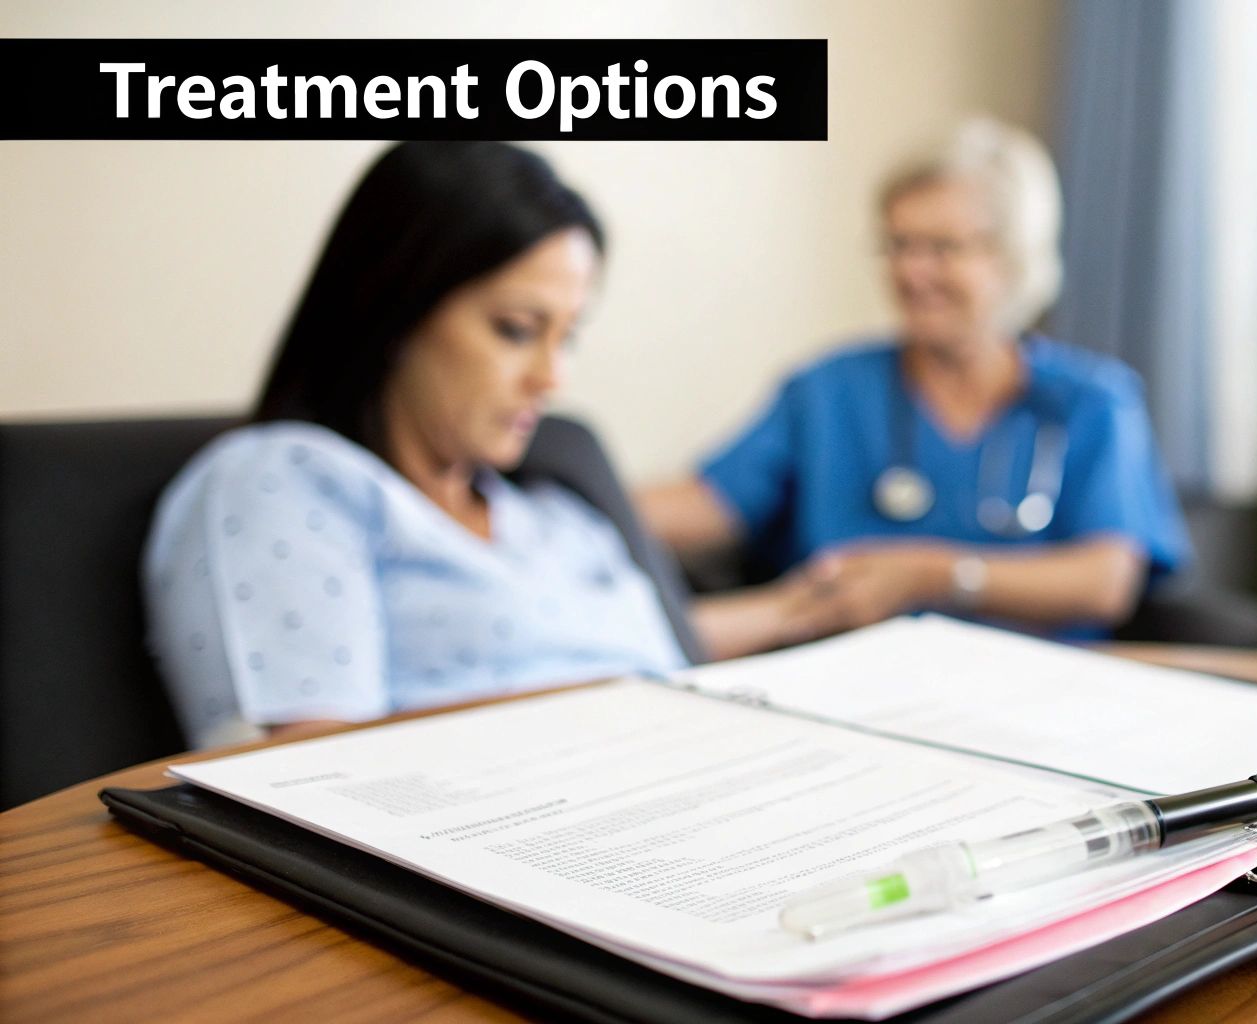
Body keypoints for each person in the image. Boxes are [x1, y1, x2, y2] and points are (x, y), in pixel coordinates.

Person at [143, 142, 816, 748]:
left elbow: (672, 660)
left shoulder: (560, 513)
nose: (552, 378)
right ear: (396, 308)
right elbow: (305, 794)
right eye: (518, 330)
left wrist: (804, 609)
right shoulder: (288, 481)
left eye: (568, 336)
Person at [641, 119, 1189, 643]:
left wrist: (933, 576)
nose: (911, 272)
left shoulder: (1090, 402)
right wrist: (571, 497)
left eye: (941, 248)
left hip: (1039, 694)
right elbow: (710, 503)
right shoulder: (829, 390)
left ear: (1012, 257)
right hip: (848, 685)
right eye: (898, 245)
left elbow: (1105, 582)